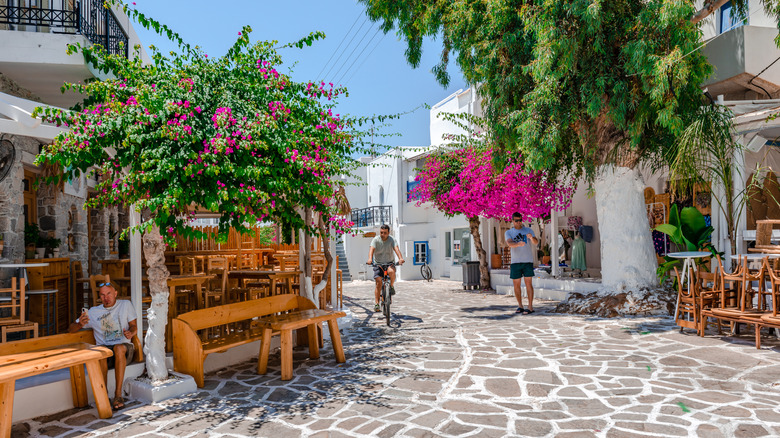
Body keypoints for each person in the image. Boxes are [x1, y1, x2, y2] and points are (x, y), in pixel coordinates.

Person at [69, 277, 137, 410]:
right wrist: (79, 324)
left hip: (124, 349)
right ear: (100, 296)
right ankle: (103, 395)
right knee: (101, 353)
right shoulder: (94, 312)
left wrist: (131, 333)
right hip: (106, 352)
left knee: (118, 348)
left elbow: (134, 326)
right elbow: (70, 329)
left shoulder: (125, 305)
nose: (106, 298)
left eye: (109, 294)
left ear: (115, 293)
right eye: (103, 295)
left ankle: (118, 395)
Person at [505, 212, 539, 314]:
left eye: (520, 220)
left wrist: (531, 238)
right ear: (512, 221)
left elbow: (536, 242)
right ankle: (520, 306)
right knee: (516, 285)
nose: (519, 223)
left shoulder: (528, 230)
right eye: (516, 221)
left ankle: (530, 306)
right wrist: (518, 244)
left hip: (527, 261)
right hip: (515, 262)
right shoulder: (509, 232)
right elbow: (509, 243)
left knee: (529, 283)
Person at [366, 224, 405, 312]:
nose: (382, 234)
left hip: (389, 263)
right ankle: (377, 304)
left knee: (391, 271)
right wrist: (369, 259)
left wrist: (400, 258)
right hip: (378, 264)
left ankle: (391, 286)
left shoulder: (392, 239)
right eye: (381, 232)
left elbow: (396, 249)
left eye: (384, 233)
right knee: (378, 282)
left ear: (388, 233)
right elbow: (371, 250)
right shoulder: (376, 240)